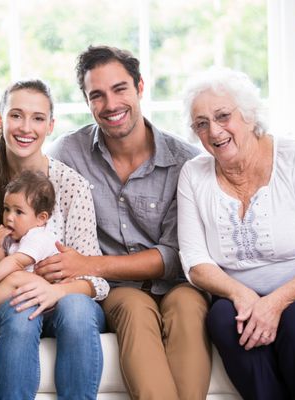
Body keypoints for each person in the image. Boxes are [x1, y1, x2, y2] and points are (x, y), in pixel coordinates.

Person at [42, 45, 211, 400]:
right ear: (88, 103)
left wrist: (89, 264)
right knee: (135, 307)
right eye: (97, 95)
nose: (110, 105)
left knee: (187, 307)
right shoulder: (67, 154)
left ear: (139, 87)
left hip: (178, 284)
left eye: (120, 89)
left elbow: (174, 255)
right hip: (117, 291)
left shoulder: (186, 162)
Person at [178, 67, 295, 399]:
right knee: (226, 319)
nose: (214, 131)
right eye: (201, 124)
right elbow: (195, 261)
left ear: (250, 117)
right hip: (237, 292)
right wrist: (244, 296)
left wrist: (276, 303)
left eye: (223, 116)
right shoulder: (193, 174)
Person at [0, 78, 109, 399]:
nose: (26, 127)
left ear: (51, 125)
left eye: (38, 118)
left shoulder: (70, 185)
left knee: (78, 311)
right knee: (22, 310)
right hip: (10, 301)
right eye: (16, 115)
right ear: (0, 119)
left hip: (69, 300)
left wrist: (54, 290)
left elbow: (98, 281)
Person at [0, 170, 59, 325]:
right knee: (4, 281)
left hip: (47, 298)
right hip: (24, 294)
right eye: (6, 209)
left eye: (18, 212)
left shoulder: (38, 236)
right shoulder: (14, 237)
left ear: (41, 218)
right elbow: (1, 266)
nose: (9, 217)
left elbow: (15, 264)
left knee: (14, 277)